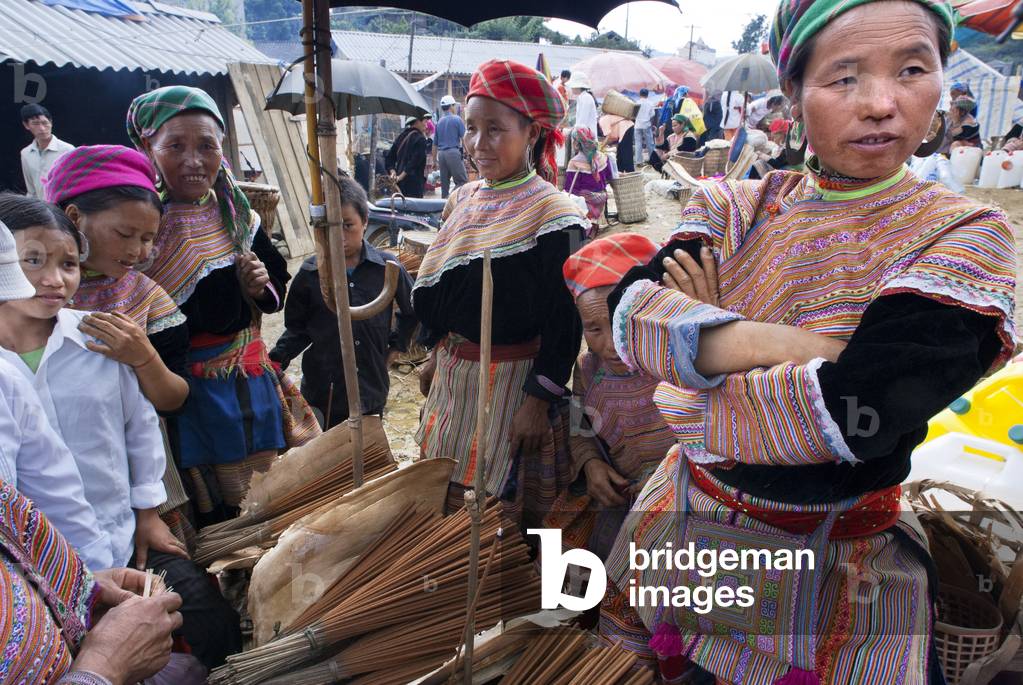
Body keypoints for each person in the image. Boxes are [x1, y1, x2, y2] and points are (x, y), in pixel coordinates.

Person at [600, 1, 1016, 683]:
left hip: (834, 571)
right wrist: (800, 344)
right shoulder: (730, 205)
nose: (880, 103)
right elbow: (627, 318)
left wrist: (698, 360)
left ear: (942, 79)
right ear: (790, 94)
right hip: (689, 537)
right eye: (844, 78)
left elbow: (863, 416)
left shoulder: (962, 235)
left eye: (911, 68)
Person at [0, 194, 242, 673]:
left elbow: (141, 426)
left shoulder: (99, 338)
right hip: (31, 575)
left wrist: (148, 512)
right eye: (32, 261)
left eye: (69, 263)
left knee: (208, 622)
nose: (54, 279)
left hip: (121, 540)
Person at [126, 86, 320, 523]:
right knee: (208, 494)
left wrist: (259, 289)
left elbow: (274, 297)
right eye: (175, 146)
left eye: (207, 146)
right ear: (146, 148)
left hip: (250, 380)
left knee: (269, 491)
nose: (194, 160)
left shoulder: (237, 215)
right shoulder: (141, 225)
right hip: (184, 389)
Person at [414, 59, 588, 526]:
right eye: (471, 128)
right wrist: (433, 352)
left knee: (496, 521)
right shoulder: (464, 199)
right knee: (442, 507)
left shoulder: (557, 214)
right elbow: (447, 286)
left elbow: (565, 320)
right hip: (455, 381)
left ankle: (501, 594)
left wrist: (537, 400)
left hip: (513, 385)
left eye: (495, 129)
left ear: (531, 133)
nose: (476, 144)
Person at [43, 145, 196, 550]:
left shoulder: (145, 297)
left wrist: (142, 357)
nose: (138, 251)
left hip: (136, 474)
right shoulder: (36, 298)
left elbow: (174, 399)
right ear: (75, 218)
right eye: (125, 234)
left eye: (148, 238)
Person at [544, 234, 678, 562]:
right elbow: (580, 427)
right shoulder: (589, 370)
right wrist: (591, 465)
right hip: (621, 494)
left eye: (620, 323)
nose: (610, 344)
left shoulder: (676, 363)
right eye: (594, 329)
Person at [271, 177, 416, 429]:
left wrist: (396, 346)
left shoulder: (387, 268)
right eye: (329, 227)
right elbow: (298, 329)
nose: (339, 236)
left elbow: (413, 310)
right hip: (324, 389)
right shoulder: (310, 274)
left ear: (365, 221)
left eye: (348, 225)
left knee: (368, 452)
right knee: (329, 455)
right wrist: (274, 362)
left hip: (370, 386)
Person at [564, 127, 614, 238]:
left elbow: (570, 190)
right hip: (601, 199)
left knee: (567, 197)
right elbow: (609, 179)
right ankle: (593, 222)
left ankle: (586, 225)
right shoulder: (604, 158)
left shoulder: (574, 163)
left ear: (576, 143)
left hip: (588, 204)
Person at [20, 104, 74, 200]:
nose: (42, 128)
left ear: (51, 122)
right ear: (26, 125)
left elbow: (76, 184)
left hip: (64, 208)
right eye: (35, 124)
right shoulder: (25, 153)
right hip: (41, 210)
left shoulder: (68, 150)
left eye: (45, 123)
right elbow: (31, 191)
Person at [435, 95, 468, 199]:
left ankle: (443, 206)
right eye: (454, 105)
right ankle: (450, 199)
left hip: (441, 155)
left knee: (444, 185)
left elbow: (434, 144)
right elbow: (464, 138)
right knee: (462, 181)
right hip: (453, 153)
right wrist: (468, 152)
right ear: (451, 106)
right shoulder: (457, 119)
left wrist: (434, 160)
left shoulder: (439, 122)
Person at [389, 115, 429, 198]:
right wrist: (401, 176)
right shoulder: (420, 139)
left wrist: (393, 172)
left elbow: (389, 158)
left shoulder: (401, 136)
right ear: (417, 122)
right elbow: (414, 162)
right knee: (414, 208)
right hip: (414, 184)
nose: (426, 125)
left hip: (400, 185)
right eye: (425, 122)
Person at [568, 72, 598, 137]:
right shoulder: (582, 97)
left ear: (577, 86)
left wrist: (569, 130)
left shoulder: (586, 98)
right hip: (584, 136)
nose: (571, 88)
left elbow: (582, 123)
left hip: (587, 138)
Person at [633, 88, 657, 167]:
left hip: (637, 125)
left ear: (640, 94)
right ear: (647, 95)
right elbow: (652, 114)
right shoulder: (650, 103)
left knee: (638, 143)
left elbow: (634, 115)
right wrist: (650, 122)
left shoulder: (637, 103)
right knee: (649, 143)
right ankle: (652, 160)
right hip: (646, 125)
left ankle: (639, 161)